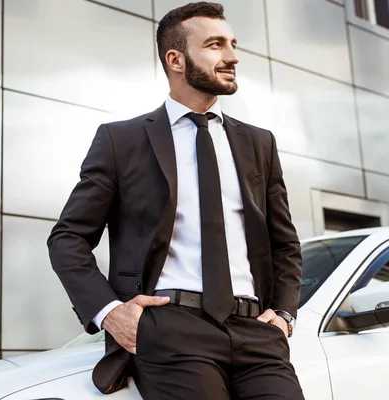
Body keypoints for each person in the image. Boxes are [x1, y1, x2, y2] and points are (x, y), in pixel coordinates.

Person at [47, 2, 304, 399]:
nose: (233, 56)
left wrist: (284, 315)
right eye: (216, 45)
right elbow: (68, 239)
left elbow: (284, 242)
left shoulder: (259, 144)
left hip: (258, 335)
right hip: (171, 331)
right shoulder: (122, 141)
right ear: (176, 59)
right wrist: (109, 312)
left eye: (233, 44)